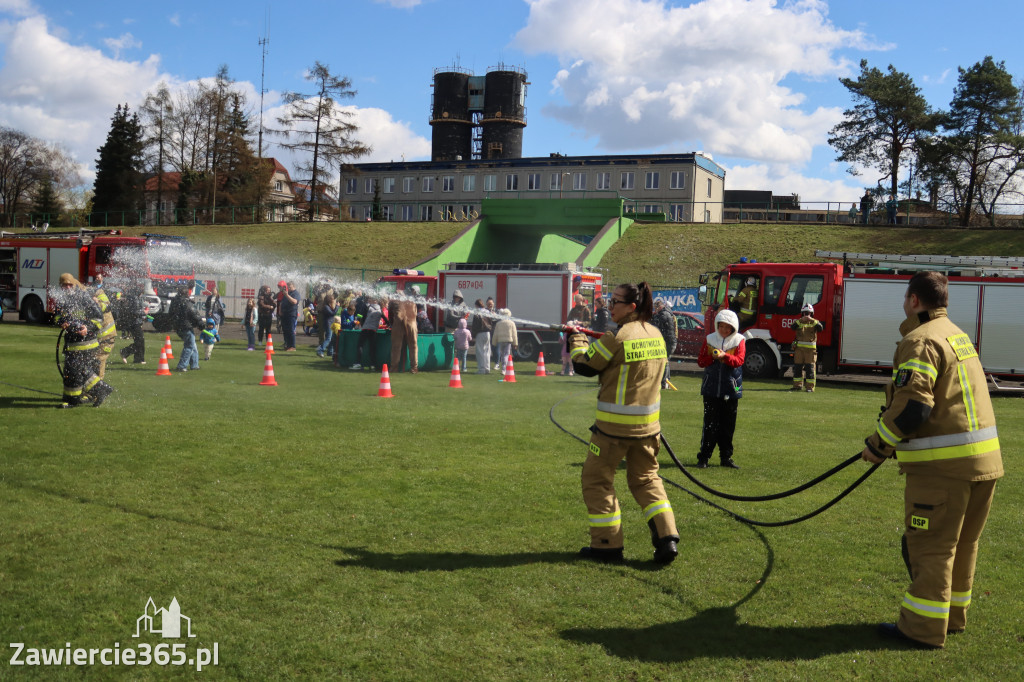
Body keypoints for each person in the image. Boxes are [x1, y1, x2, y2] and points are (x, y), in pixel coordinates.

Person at [861, 271, 1003, 650]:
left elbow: (914, 408)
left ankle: (922, 629)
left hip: (944, 470)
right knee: (963, 546)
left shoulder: (920, 341)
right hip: (983, 465)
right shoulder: (956, 335)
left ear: (913, 300)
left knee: (931, 547)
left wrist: (879, 445)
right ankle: (951, 618)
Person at [566, 281, 679, 565]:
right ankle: (667, 539)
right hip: (649, 431)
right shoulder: (656, 335)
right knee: (647, 481)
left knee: (597, 481)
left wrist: (576, 338)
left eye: (615, 301)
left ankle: (607, 546)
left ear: (632, 307)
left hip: (611, 433)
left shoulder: (617, 338)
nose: (610, 305)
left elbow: (584, 366)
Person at [54, 273, 114, 408]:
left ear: (74, 284)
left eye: (70, 285)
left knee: (74, 370)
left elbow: (99, 318)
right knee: (76, 371)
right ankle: (99, 390)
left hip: (87, 342)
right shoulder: (62, 299)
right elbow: (57, 316)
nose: (67, 287)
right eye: (65, 285)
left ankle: (73, 400)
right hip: (72, 343)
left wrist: (87, 328)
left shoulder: (83, 297)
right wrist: (61, 322)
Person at [696, 308, 745, 469]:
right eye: (721, 326)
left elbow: (739, 361)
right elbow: (701, 361)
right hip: (711, 389)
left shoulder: (739, 340)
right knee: (709, 425)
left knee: (728, 426)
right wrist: (712, 357)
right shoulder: (710, 339)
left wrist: (725, 356)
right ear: (717, 325)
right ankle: (704, 457)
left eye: (728, 327)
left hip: (731, 390)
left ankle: (726, 457)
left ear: (733, 328)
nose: (724, 330)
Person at [169, 285, 204, 372]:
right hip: (186, 327)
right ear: (186, 293)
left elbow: (171, 314)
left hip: (178, 327)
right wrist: (201, 324)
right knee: (189, 346)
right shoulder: (186, 303)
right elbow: (194, 314)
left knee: (192, 345)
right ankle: (182, 365)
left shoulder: (174, 302)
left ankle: (194, 364)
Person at [90, 274, 118, 379]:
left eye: (99, 276)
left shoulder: (100, 292)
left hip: (107, 337)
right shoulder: (91, 291)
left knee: (99, 360)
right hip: (100, 336)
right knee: (94, 360)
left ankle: (97, 387)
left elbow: (106, 305)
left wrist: (97, 303)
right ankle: (93, 386)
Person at [791, 303, 824, 392]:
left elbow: (821, 328)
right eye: (805, 313)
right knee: (797, 368)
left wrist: (812, 320)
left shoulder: (814, 322)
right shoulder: (798, 322)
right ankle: (797, 386)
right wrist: (800, 320)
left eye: (808, 313)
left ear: (811, 314)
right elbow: (792, 327)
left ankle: (810, 387)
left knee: (810, 369)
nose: (806, 315)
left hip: (810, 351)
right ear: (802, 313)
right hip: (799, 350)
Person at [389, 284, 419, 373]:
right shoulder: (411, 301)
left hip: (398, 323)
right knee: (413, 346)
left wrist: (391, 324)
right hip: (412, 323)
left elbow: (390, 315)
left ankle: (394, 367)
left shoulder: (393, 301)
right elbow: (415, 313)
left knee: (396, 347)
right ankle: (414, 367)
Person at [651, 297, 678, 389]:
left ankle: (664, 382)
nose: (655, 310)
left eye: (655, 308)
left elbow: (656, 324)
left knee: (665, 361)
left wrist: (652, 318)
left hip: (669, 342)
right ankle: (666, 381)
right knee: (665, 361)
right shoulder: (667, 313)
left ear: (659, 307)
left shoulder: (664, 314)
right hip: (670, 341)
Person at [119, 284, 148, 364]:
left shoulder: (134, 298)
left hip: (135, 322)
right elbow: (133, 312)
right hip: (134, 323)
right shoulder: (134, 299)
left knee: (140, 341)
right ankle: (125, 351)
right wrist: (143, 313)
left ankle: (139, 359)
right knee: (139, 341)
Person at [352, 295, 383, 371]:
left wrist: (357, 322)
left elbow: (361, 315)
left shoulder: (367, 306)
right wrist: (389, 324)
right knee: (372, 347)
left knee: (360, 345)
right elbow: (384, 317)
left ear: (372, 300)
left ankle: (358, 363)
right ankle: (373, 365)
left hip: (366, 328)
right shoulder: (380, 309)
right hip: (373, 330)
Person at [470, 298, 493, 374]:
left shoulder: (477, 313)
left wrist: (473, 335)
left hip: (480, 333)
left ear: (477, 305)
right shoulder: (487, 311)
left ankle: (481, 369)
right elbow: (491, 322)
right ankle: (487, 368)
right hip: (487, 333)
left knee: (480, 351)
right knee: (487, 351)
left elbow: (475, 325)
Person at [277, 280, 299, 351]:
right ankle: (287, 344)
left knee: (290, 330)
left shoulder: (295, 293)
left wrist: (287, 295)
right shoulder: (287, 293)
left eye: (289, 286)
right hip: (284, 314)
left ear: (293, 286)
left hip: (291, 314)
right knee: (285, 330)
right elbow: (281, 302)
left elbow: (294, 301)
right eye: (287, 286)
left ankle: (292, 346)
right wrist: (280, 311)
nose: (288, 287)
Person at [316, 293, 338, 358]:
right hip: (328, 324)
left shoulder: (329, 306)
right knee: (328, 338)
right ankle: (320, 350)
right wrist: (337, 307)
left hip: (331, 323)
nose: (334, 300)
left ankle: (330, 352)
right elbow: (332, 313)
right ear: (329, 300)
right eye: (333, 299)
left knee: (332, 338)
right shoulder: (326, 307)